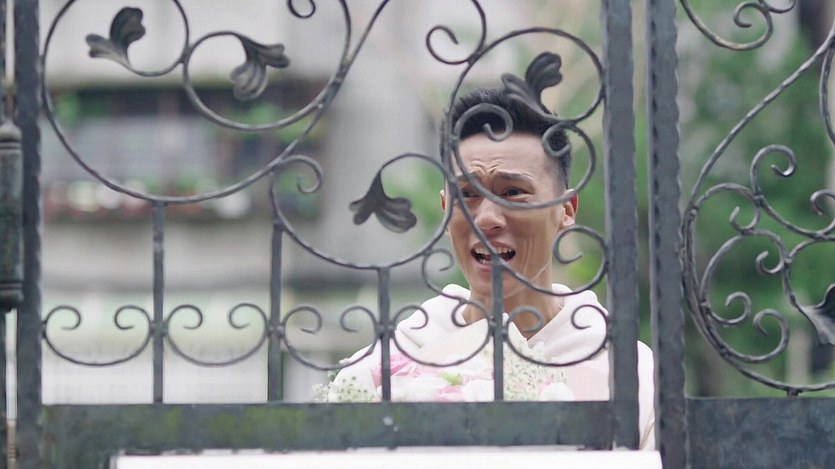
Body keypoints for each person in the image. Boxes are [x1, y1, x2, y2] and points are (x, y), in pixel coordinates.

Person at [324, 88, 655, 449]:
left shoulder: (624, 369)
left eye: (512, 192)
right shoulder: (393, 362)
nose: (486, 219)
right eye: (467, 194)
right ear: (445, 208)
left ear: (566, 209)